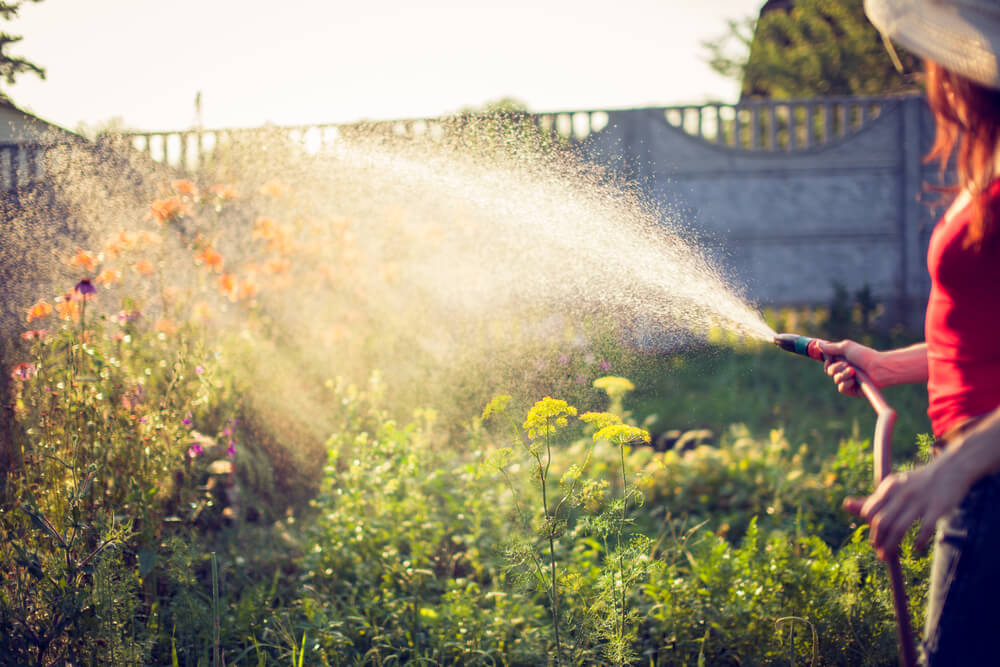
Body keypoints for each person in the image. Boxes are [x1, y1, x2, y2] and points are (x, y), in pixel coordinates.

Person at [818, 0, 1000, 663]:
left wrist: (949, 471)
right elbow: (981, 337)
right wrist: (887, 364)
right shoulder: (989, 173)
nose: (933, 73)